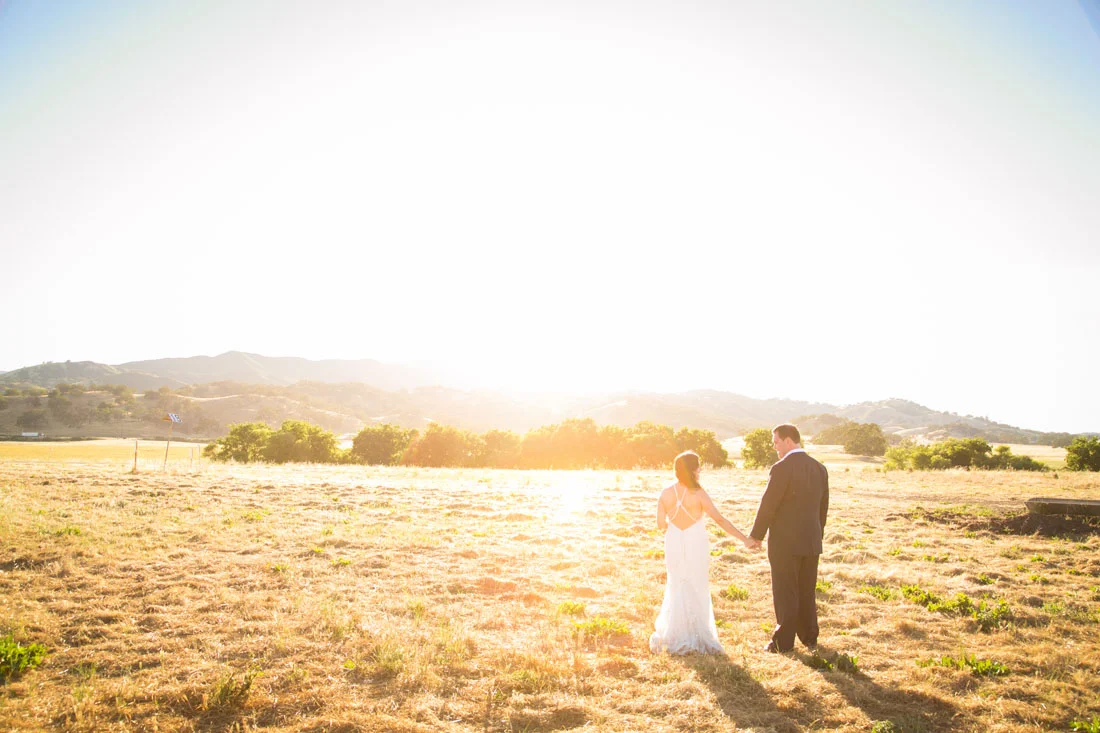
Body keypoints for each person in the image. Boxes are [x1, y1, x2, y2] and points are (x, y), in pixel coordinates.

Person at [650, 450, 753, 655]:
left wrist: (675, 526)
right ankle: (696, 632)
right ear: (692, 470)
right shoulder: (698, 494)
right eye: (698, 467)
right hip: (695, 541)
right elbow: (720, 520)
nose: (700, 470)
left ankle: (674, 631)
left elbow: (661, 524)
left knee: (676, 581)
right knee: (696, 583)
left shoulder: (665, 493)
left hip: (674, 541)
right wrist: (745, 539)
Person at [745, 424, 830, 654]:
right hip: (811, 540)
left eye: (776, 442)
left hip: (785, 542)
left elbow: (768, 505)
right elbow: (823, 508)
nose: (775, 447)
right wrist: (817, 535)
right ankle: (810, 637)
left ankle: (783, 642)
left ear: (788, 441)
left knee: (785, 591)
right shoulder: (819, 468)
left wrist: (756, 536)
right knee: (806, 590)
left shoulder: (781, 468)